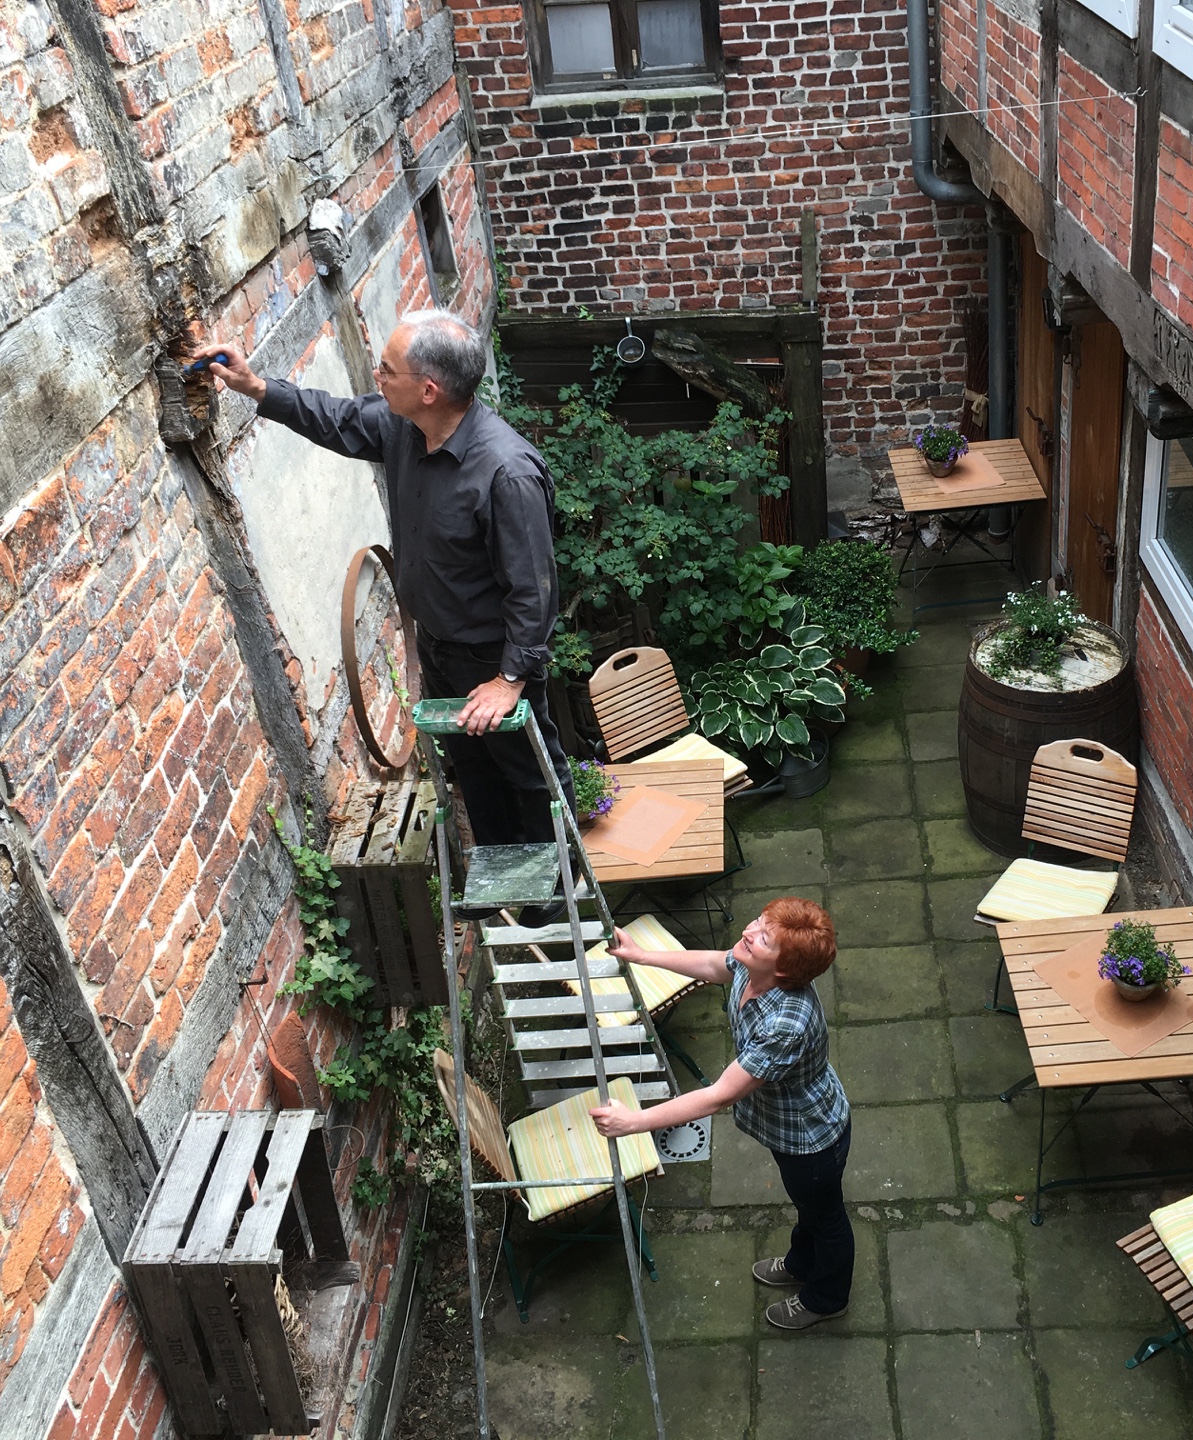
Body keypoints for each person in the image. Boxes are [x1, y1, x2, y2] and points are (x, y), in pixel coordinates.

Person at [193, 312, 574, 861]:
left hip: (494, 658)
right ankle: (501, 876)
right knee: (473, 769)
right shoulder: (405, 428)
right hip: (440, 648)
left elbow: (533, 590)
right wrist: (256, 387)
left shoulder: (505, 473)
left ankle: (559, 884)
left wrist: (509, 679)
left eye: (387, 369)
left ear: (429, 390)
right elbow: (337, 419)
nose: (377, 376)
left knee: (529, 773)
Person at [590, 898, 852, 1330]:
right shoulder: (753, 967)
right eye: (758, 922)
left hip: (810, 1138)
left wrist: (633, 1123)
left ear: (783, 970)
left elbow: (717, 1097)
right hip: (789, 1128)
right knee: (809, 1206)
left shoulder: (786, 1025)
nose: (748, 933)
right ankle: (802, 1263)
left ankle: (826, 1299)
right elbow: (715, 964)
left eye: (763, 937)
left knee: (825, 1217)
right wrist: (640, 955)